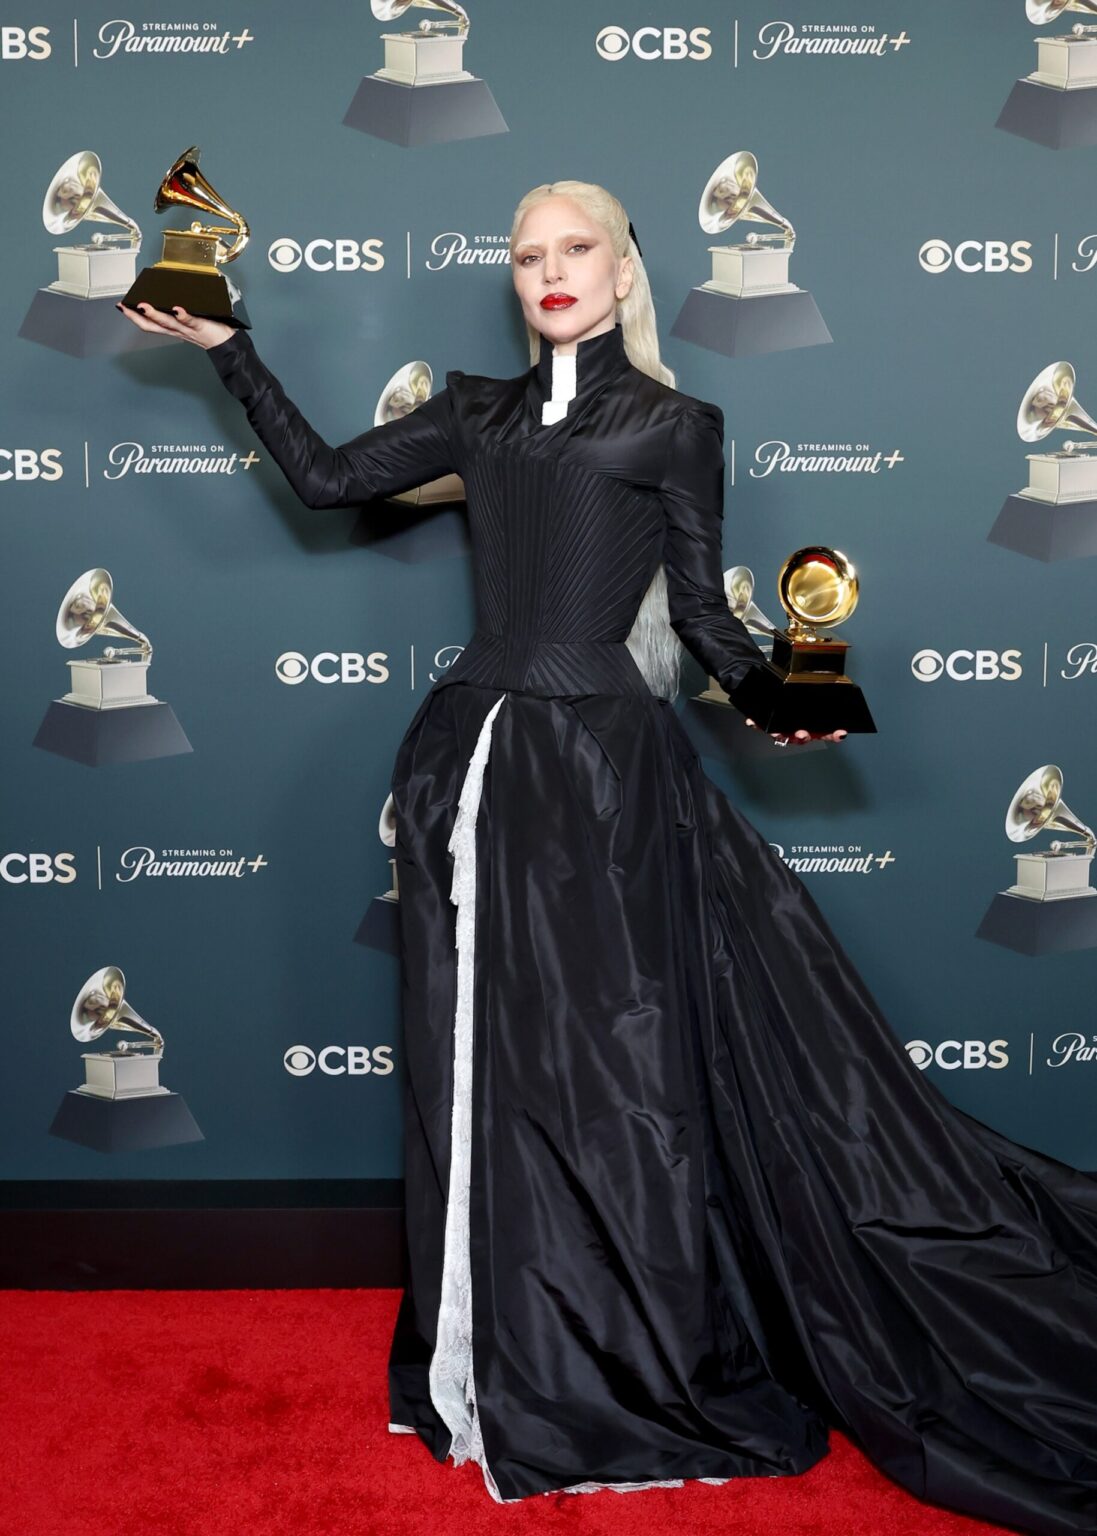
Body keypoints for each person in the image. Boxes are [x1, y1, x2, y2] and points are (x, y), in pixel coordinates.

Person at [119, 180, 1097, 1535]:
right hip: (467, 763)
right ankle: (491, 1348)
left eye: (575, 247)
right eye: (528, 254)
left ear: (626, 269)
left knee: (617, 1065)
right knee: (471, 1060)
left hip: (602, 770)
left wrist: (781, 698)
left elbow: (701, 613)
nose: (550, 270)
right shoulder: (476, 410)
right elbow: (329, 480)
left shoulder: (677, 426)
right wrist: (231, 349)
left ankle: (625, 1350)